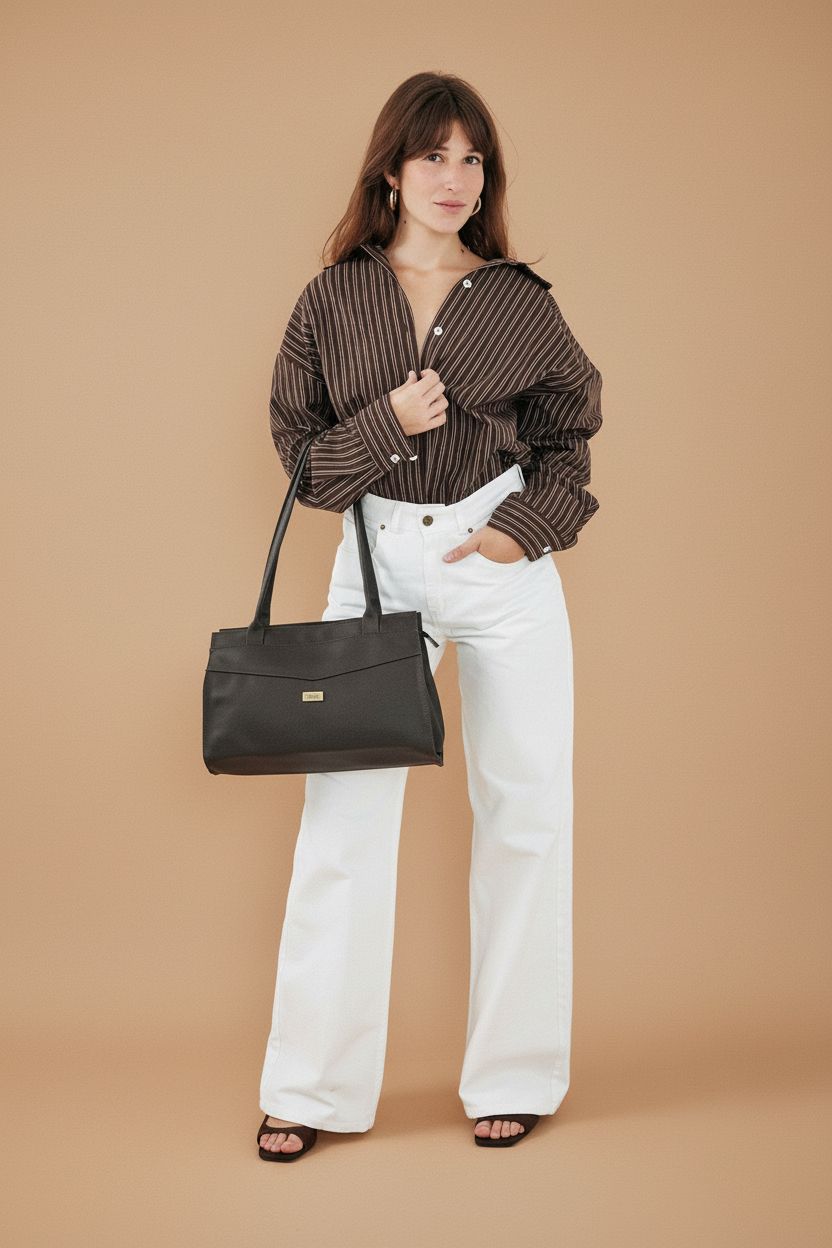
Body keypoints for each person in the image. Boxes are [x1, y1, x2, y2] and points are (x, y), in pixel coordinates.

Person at [256, 71, 603, 1161]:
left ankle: (515, 1074)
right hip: (376, 566)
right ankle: (308, 1090)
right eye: (433, 156)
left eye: (472, 160)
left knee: (525, 814)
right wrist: (388, 422)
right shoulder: (331, 299)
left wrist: (523, 529)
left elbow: (571, 435)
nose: (455, 179)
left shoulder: (520, 301)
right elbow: (304, 464)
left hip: (495, 562)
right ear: (391, 172)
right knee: (343, 827)